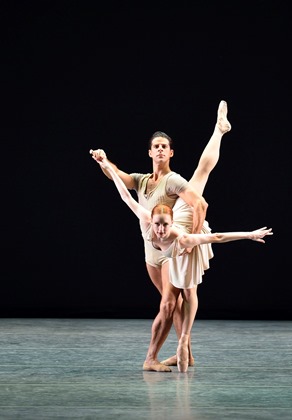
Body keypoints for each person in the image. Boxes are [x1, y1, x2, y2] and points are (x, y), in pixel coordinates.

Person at [90, 151, 273, 373]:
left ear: (170, 224)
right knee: (200, 174)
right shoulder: (149, 219)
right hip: (177, 217)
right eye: (157, 225)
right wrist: (106, 165)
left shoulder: (183, 238)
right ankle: (182, 351)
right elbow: (125, 196)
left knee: (187, 293)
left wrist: (249, 235)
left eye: (164, 226)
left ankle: (183, 341)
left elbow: (217, 237)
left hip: (190, 237)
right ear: (152, 220)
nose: (160, 230)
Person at [90, 100, 231, 370]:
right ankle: (185, 355)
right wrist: (104, 161)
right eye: (156, 146)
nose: (160, 150)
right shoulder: (142, 180)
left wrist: (189, 239)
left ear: (171, 153)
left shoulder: (174, 179)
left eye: (164, 147)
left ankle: (150, 358)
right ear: (150, 152)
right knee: (172, 305)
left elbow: (200, 204)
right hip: (151, 249)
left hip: (172, 245)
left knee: (169, 303)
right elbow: (119, 179)